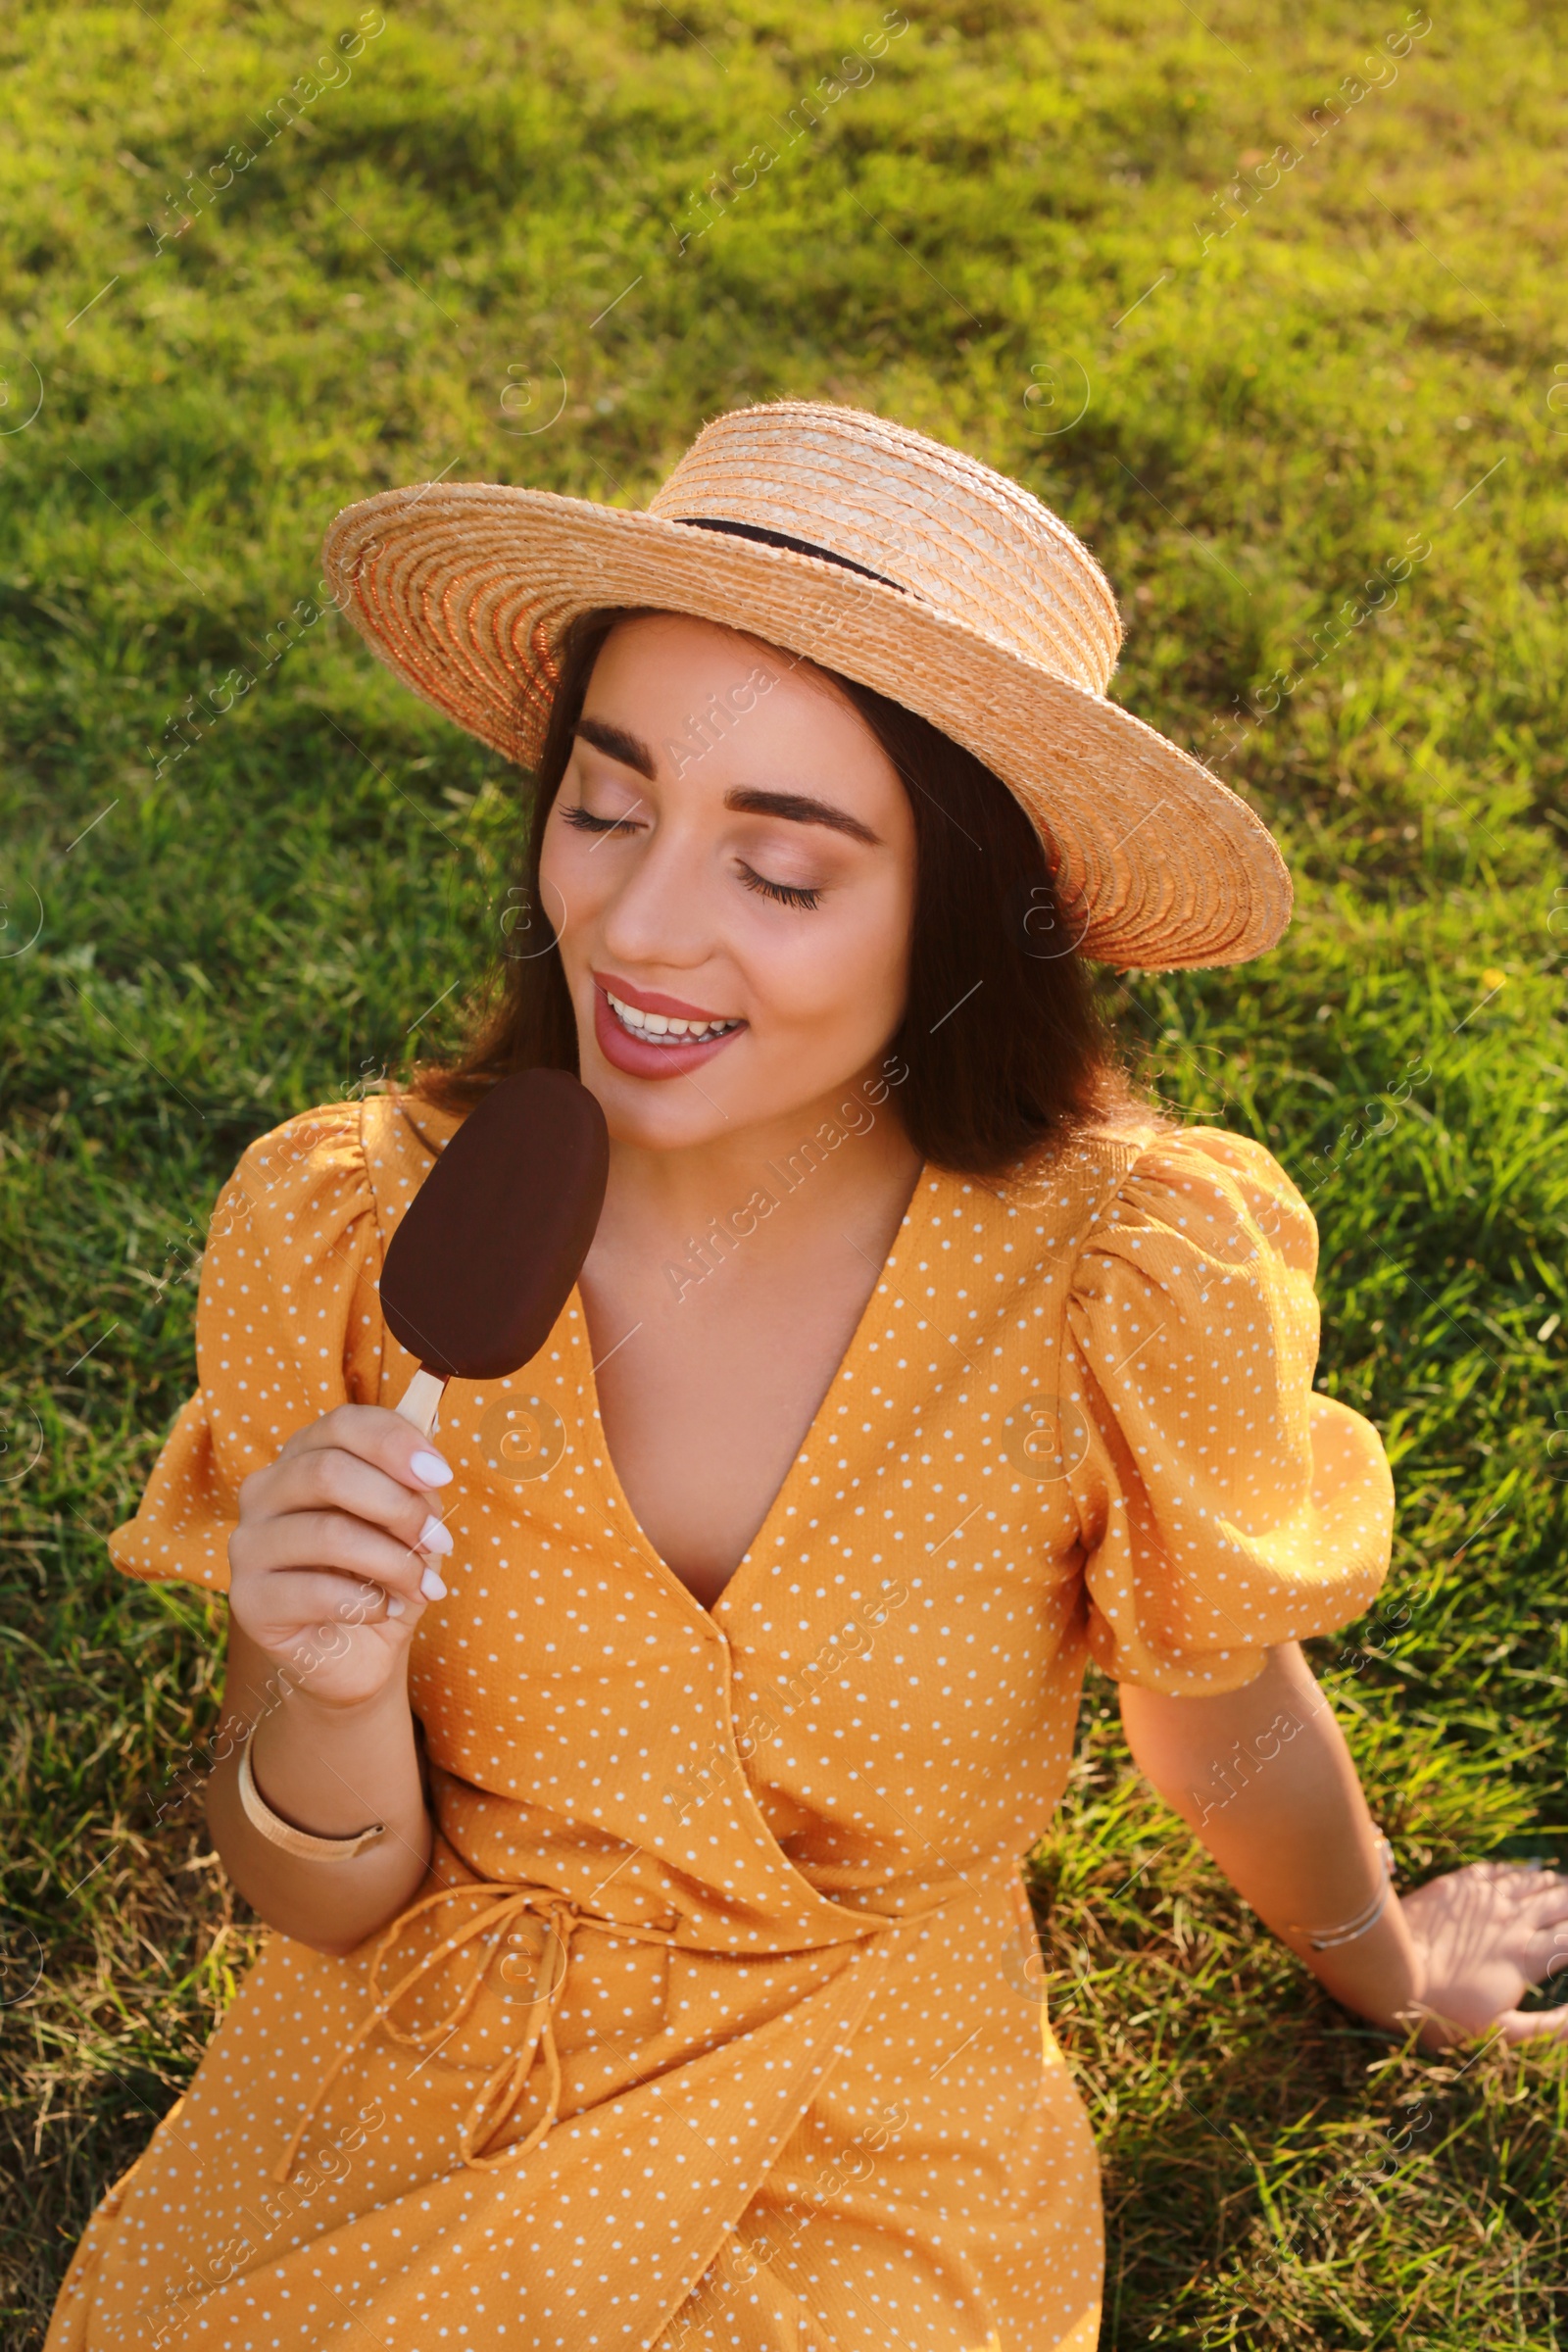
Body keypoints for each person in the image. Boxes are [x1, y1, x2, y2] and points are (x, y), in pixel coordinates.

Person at [49, 402, 1568, 2352]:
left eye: (781, 869)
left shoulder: (1113, 1275)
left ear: (952, 916)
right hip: (415, 2074)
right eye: (607, 807)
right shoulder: (343, 1236)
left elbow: (1221, 1722)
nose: (639, 920)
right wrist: (326, 1694)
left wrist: (1385, 1960)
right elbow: (320, 1894)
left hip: (863, 2135)